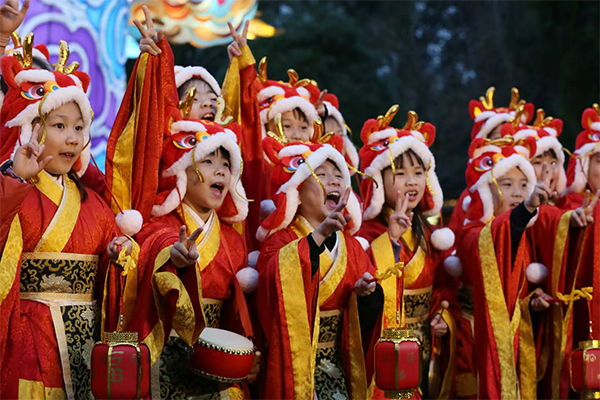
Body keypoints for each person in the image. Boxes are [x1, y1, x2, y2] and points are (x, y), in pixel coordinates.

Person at [104, 9, 258, 397]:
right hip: (167, 364)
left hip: (223, 370)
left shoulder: (233, 235)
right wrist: (174, 258)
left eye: (227, 162)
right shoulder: (161, 222)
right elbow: (156, 243)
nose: (221, 170)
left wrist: (242, 68)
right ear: (180, 168)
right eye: (209, 160)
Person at [0, 38, 128, 399]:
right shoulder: (11, 191)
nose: (72, 138)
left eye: (78, 127)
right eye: (59, 125)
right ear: (29, 129)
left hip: (84, 350)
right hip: (28, 348)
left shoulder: (97, 206)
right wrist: (15, 182)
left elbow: (111, 283)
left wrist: (118, 256)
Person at [456, 135, 593, 399]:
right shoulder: (473, 233)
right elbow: (497, 240)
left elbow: (548, 223)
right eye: (507, 184)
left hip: (522, 348)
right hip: (475, 350)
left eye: (523, 185)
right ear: (486, 191)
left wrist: (532, 302)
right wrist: (527, 207)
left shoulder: (526, 233)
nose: (518, 192)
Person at [255, 127, 378, 399]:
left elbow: (369, 317)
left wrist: (366, 294)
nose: (332, 181)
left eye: (338, 176)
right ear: (297, 191)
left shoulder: (353, 247)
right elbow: (270, 290)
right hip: (294, 366)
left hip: (342, 367)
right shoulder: (280, 241)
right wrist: (318, 236)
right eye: (321, 175)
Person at [356, 106, 457, 399]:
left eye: (418, 172)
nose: (411, 181)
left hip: (424, 344)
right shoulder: (367, 234)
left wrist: (442, 316)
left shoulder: (427, 232)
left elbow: (442, 286)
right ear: (377, 181)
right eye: (400, 174)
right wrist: (392, 239)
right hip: (388, 347)